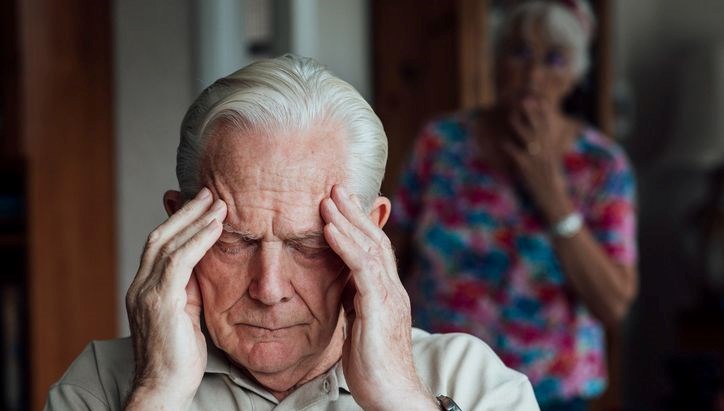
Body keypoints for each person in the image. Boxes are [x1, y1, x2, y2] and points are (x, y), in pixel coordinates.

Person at [44, 55, 539, 410]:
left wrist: (400, 399)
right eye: (235, 241)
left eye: (309, 245)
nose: (269, 289)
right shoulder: (101, 386)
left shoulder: (472, 383)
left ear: (372, 234)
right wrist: (157, 394)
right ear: (178, 225)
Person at [390, 1, 638, 410]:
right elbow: (393, 246)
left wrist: (551, 194)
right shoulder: (442, 142)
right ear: (496, 61)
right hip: (441, 377)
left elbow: (613, 302)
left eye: (554, 59)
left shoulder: (600, 164)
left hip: (553, 391)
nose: (533, 75)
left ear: (575, 75)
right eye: (519, 52)